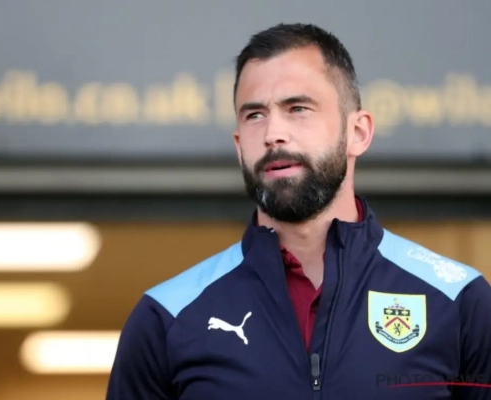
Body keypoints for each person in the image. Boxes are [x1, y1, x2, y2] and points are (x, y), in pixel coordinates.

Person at [106, 23, 491, 399]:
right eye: (255, 115)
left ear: (358, 132)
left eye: (298, 108)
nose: (273, 133)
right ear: (239, 146)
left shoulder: (459, 300)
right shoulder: (167, 316)